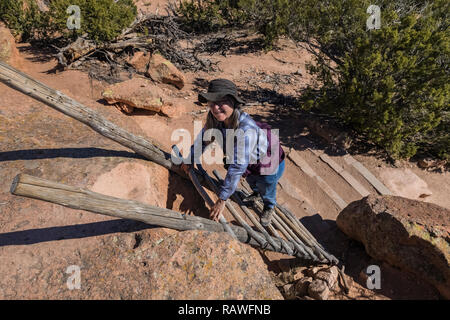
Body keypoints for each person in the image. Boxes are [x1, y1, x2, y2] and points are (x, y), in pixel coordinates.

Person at [181, 79, 285, 227]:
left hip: (268, 161)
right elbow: (203, 140)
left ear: (233, 102)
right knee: (252, 181)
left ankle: (269, 206)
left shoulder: (246, 130)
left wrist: (222, 199)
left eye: (221, 101)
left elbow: (238, 166)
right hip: (250, 161)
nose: (215, 108)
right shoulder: (216, 120)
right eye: (211, 103)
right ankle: (256, 193)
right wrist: (190, 158)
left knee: (267, 185)